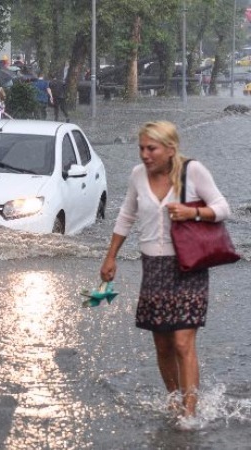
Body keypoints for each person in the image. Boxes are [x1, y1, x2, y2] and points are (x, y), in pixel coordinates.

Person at [99, 121, 231, 420]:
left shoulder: (193, 171)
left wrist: (193, 212)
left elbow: (223, 208)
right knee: (162, 343)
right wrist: (110, 257)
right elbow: (126, 215)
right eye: (141, 148)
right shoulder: (137, 175)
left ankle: (189, 413)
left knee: (183, 341)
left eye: (151, 148)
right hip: (153, 267)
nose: (145, 155)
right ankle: (173, 400)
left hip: (188, 265)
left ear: (171, 149)